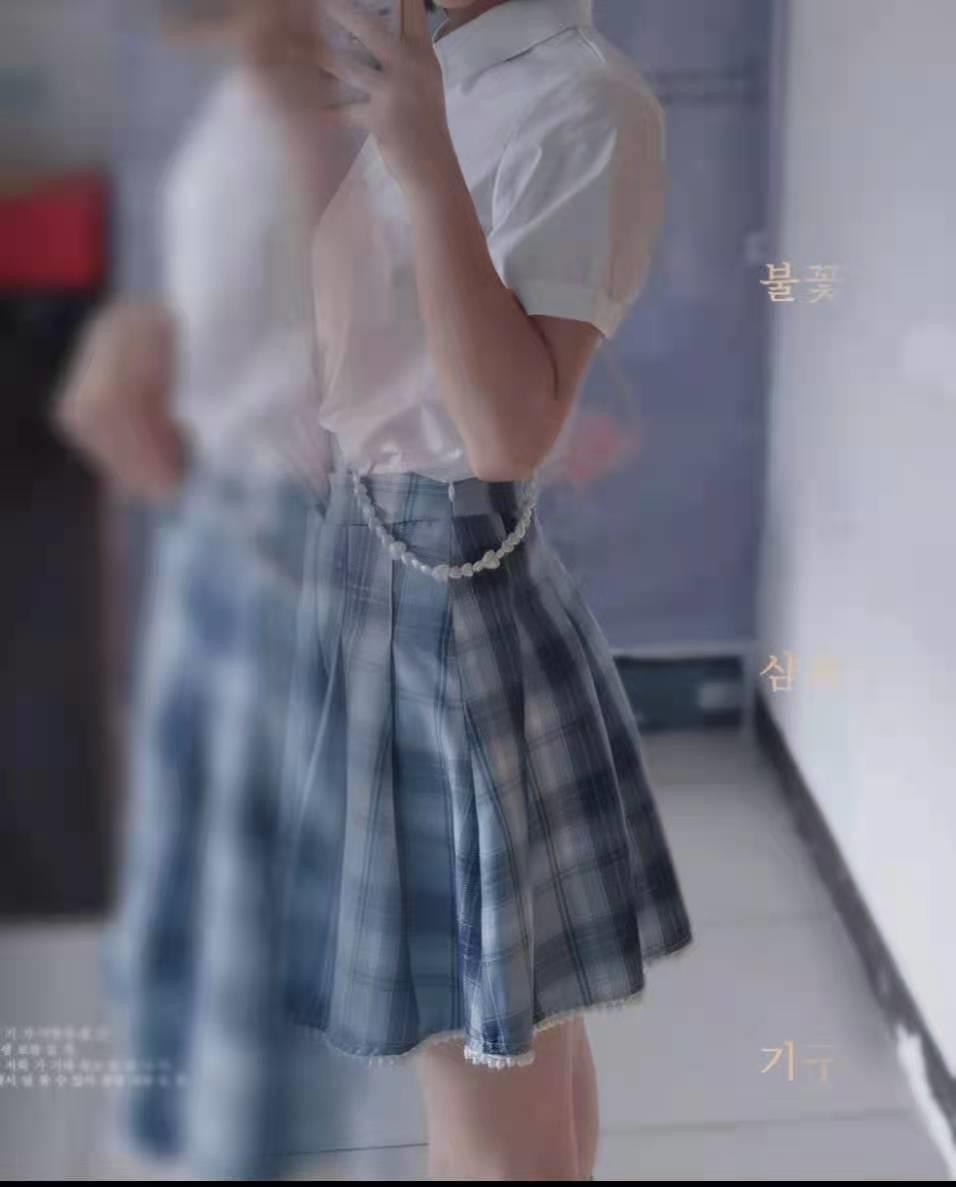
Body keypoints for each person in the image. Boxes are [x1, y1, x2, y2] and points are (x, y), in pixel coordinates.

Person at [274, 0, 695, 1180]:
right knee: (513, 1035)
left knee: (482, 1057)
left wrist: (419, 154)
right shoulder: (428, 65)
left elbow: (510, 428)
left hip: (446, 595)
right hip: (375, 563)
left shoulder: (580, 98)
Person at [53, 2, 360, 1177]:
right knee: (194, 950)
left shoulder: (334, 92)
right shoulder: (260, 89)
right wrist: (160, 345)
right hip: (229, 535)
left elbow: (371, 364)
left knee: (256, 975)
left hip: (292, 550)